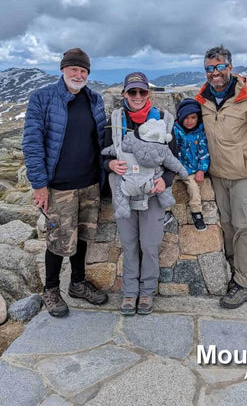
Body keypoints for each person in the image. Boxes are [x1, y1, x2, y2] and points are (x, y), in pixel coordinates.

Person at [23, 47, 108, 317]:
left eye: (83, 70)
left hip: (90, 183)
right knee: (58, 240)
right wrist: (39, 184)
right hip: (60, 187)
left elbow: (102, 140)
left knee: (82, 236)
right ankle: (50, 289)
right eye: (74, 69)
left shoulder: (94, 99)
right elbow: (32, 143)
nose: (79, 74)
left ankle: (78, 283)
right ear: (63, 69)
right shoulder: (42, 98)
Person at [195, 45, 247, 309]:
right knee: (228, 227)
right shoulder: (202, 99)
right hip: (217, 177)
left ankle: (243, 284)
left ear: (230, 67)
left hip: (244, 177)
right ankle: (233, 271)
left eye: (219, 67)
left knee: (245, 228)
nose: (215, 73)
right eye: (209, 68)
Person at [102, 72, 176, 316]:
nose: (137, 96)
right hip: (123, 191)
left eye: (141, 92)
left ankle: (147, 293)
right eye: (132, 91)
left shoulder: (165, 121)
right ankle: (129, 293)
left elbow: (172, 158)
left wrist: (165, 181)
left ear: (149, 94)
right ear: (124, 94)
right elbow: (102, 155)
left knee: (150, 244)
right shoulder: (115, 120)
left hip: (153, 193)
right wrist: (109, 165)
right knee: (129, 243)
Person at [173, 98, 210, 231]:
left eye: (193, 117)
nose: (190, 121)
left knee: (193, 187)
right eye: (186, 118)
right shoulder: (175, 131)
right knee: (165, 185)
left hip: (190, 170)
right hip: (175, 168)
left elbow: (204, 153)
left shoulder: (200, 133)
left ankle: (196, 212)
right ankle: (164, 211)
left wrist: (201, 170)